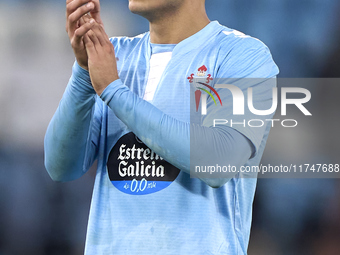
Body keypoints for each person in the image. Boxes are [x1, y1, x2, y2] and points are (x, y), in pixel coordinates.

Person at [44, 0, 279, 254]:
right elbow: (60, 166)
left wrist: (114, 91)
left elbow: (218, 162)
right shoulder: (115, 56)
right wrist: (83, 71)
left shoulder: (243, 55)